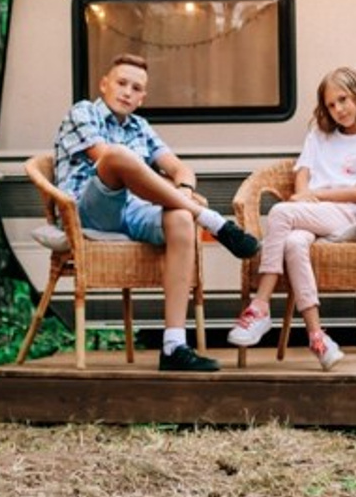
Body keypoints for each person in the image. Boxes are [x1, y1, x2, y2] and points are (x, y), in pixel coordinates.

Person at [54, 52, 260, 373]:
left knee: (179, 217)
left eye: (136, 88)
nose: (127, 92)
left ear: (142, 98)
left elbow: (180, 168)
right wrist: (185, 199)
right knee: (118, 157)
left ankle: (173, 345)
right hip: (89, 210)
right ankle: (213, 222)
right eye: (121, 83)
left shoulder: (140, 126)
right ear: (104, 84)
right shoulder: (83, 112)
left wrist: (184, 192)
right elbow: (104, 158)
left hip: (134, 210)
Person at [226, 67, 356, 370]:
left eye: (343, 99)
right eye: (331, 104)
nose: (338, 109)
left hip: (342, 217)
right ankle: (319, 338)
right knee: (292, 243)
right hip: (312, 214)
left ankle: (260, 305)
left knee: (278, 212)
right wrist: (303, 196)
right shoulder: (319, 136)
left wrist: (314, 198)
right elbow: (302, 173)